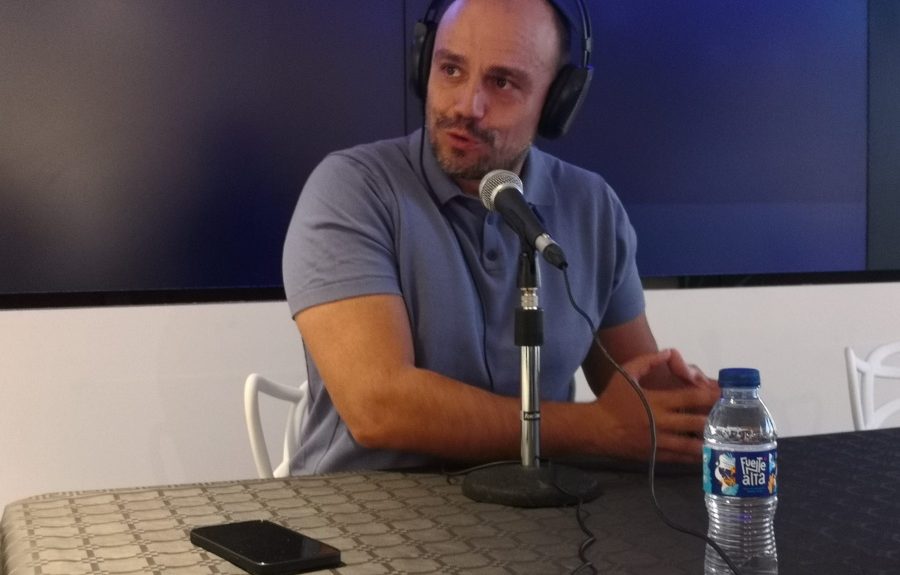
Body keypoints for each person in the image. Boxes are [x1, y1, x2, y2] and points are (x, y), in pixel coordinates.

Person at [282, 0, 718, 475]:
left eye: (502, 82)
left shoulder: (590, 206)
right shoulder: (352, 189)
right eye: (450, 69)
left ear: (557, 104)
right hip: (365, 520)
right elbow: (379, 408)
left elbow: (636, 396)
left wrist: (693, 411)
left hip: (538, 521)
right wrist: (596, 429)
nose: (466, 106)